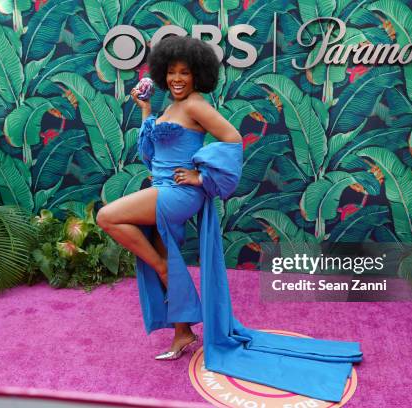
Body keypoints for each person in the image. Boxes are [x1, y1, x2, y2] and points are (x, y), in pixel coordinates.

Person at [97, 35, 362, 403]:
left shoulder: (196, 105)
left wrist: (201, 177)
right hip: (160, 186)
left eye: (184, 73)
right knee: (163, 250)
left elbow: (233, 138)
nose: (177, 78)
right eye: (171, 72)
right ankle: (182, 332)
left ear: (197, 76)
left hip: (178, 193)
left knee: (107, 216)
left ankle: (161, 269)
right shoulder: (169, 105)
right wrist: (144, 110)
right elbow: (150, 153)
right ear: (162, 74)